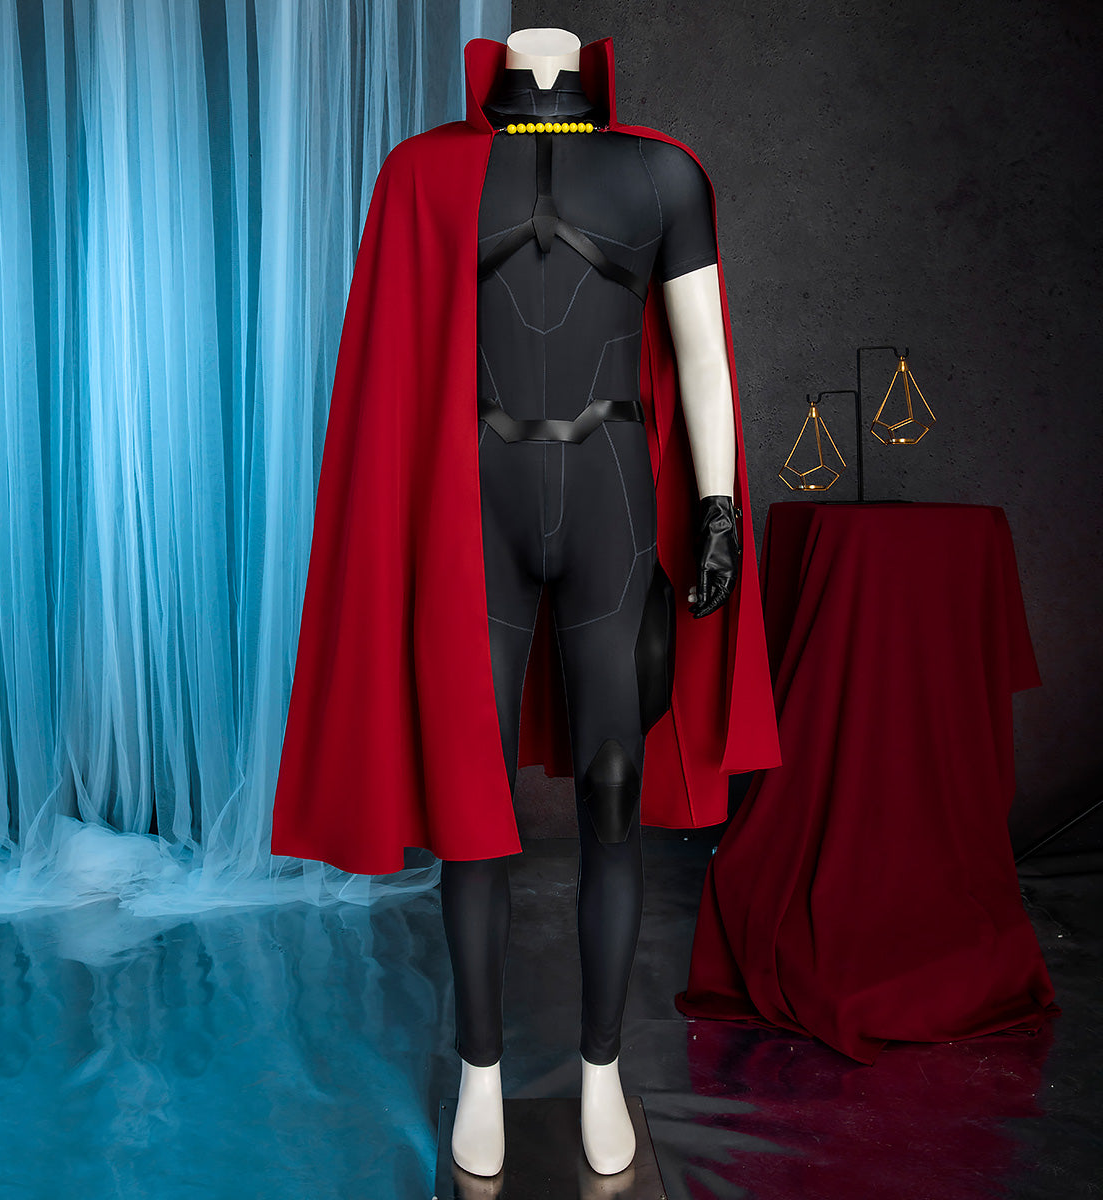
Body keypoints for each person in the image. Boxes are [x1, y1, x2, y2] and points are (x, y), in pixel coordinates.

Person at [270, 26, 780, 1180]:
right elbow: (388, 369)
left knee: (613, 792)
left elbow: (703, 358)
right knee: (475, 803)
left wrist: (717, 508)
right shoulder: (420, 175)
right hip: (472, 514)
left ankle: (603, 1069)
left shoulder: (664, 173)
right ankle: (480, 1073)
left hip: (614, 508)